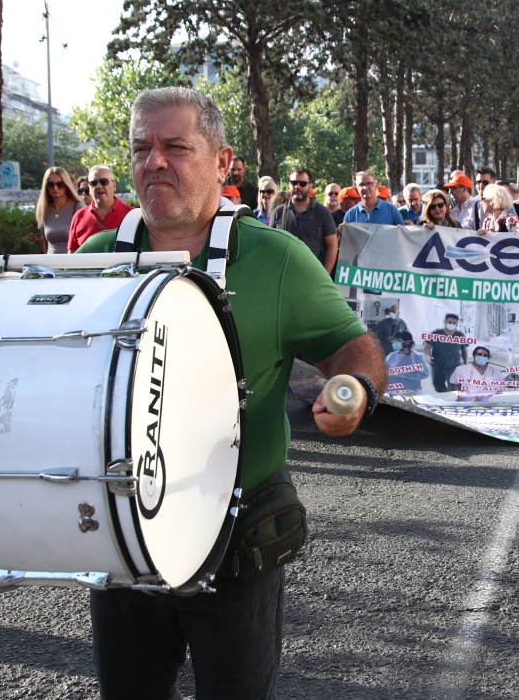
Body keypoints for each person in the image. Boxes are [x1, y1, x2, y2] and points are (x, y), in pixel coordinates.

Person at [75, 86, 385, 698]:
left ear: (222, 163)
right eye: (141, 148)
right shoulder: (97, 259)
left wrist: (354, 389)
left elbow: (355, 348)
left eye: (175, 147)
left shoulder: (277, 258)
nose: (153, 162)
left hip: (236, 532)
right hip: (123, 530)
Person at [270, 168, 338, 275]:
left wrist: (325, 275)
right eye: (294, 183)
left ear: (310, 186)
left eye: (302, 183)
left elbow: (332, 245)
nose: (297, 186)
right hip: (284, 275)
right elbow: (270, 245)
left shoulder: (322, 212)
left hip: (313, 276)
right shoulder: (278, 212)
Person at [68, 165, 134, 251]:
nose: (98, 186)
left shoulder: (131, 215)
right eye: (93, 183)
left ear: (114, 185)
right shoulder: (78, 217)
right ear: (89, 188)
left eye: (103, 181)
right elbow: (72, 254)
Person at [36, 166, 81, 254]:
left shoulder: (78, 208)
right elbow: (45, 244)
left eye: (60, 184)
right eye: (51, 184)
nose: (55, 188)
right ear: (46, 186)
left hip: (71, 260)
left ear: (66, 185)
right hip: (51, 261)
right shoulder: (44, 210)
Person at [424, 312, 468, 392]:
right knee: (439, 387)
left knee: (454, 387)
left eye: (454, 323)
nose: (452, 324)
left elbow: (463, 350)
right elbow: (427, 346)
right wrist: (427, 355)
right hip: (438, 365)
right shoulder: (437, 333)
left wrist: (465, 363)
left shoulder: (460, 335)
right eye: (449, 322)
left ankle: (452, 398)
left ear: (457, 324)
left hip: (453, 366)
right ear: (445, 322)